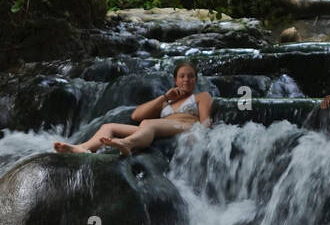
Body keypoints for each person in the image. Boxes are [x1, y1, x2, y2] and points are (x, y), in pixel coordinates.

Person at [52, 61, 213, 155]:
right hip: (157, 130)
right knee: (109, 126)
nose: (186, 79)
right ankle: (82, 148)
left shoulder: (201, 96)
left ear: (196, 79)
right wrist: (165, 97)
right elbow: (137, 116)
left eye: (191, 76)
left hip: (185, 126)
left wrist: (198, 136)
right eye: (182, 76)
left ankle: (127, 143)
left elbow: (205, 122)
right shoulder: (167, 102)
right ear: (176, 80)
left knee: (149, 124)